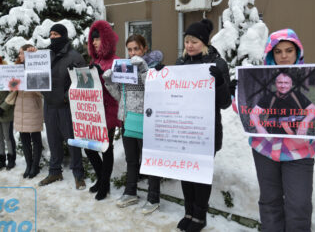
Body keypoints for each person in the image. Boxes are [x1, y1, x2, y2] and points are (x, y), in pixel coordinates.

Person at [235, 29, 315, 231]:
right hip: (265, 151)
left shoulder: (299, 92)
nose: (284, 56)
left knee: (299, 204)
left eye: (288, 50)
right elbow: (245, 112)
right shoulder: (267, 90)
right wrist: (236, 93)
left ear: (297, 52)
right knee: (269, 201)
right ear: (271, 55)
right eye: (278, 52)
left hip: (299, 153)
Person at [172, 19, 231, 231]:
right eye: (187, 41)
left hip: (206, 130)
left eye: (194, 41)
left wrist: (221, 83)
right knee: (186, 172)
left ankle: (199, 216)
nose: (189, 45)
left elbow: (225, 103)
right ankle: (188, 211)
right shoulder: (181, 63)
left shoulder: (218, 64)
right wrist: (161, 75)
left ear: (204, 43)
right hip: (184, 129)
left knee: (200, 173)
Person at [103, 34, 162, 215]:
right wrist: (109, 82)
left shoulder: (153, 68)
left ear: (144, 49)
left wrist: (143, 68)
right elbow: (120, 96)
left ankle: (153, 198)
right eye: (129, 49)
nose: (132, 53)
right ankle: (130, 192)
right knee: (131, 160)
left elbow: (154, 89)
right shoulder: (125, 69)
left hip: (147, 120)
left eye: (136, 49)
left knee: (150, 161)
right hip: (129, 119)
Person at [37, 23, 87, 189]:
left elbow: (82, 83)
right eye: (50, 34)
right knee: (53, 140)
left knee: (72, 141)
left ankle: (78, 174)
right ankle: (54, 171)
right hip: (50, 105)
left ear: (64, 36)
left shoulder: (75, 57)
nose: (52, 37)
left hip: (67, 107)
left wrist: (66, 98)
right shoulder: (46, 56)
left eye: (56, 34)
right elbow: (34, 75)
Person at [85, 20, 121, 200]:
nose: (94, 42)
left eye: (97, 39)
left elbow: (117, 89)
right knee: (89, 148)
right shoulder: (95, 59)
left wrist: (100, 74)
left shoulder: (115, 62)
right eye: (93, 40)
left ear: (105, 40)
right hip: (94, 111)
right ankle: (101, 178)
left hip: (108, 111)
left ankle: (104, 184)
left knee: (106, 149)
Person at [6, 44, 44, 179]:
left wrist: (29, 81)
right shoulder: (16, 69)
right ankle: (29, 165)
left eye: (21, 53)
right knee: (24, 140)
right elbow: (11, 88)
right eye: (19, 54)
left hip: (33, 107)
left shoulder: (38, 68)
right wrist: (11, 84)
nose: (19, 56)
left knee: (36, 139)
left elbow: (42, 90)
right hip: (20, 108)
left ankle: (35, 166)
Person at [250, 71, 315, 135]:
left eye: (286, 83)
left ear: (291, 84)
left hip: (294, 137)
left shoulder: (298, 96)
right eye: (280, 82)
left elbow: (313, 109)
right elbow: (253, 113)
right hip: (272, 137)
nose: (283, 86)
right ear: (276, 83)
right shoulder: (269, 97)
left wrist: (305, 122)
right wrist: (260, 128)